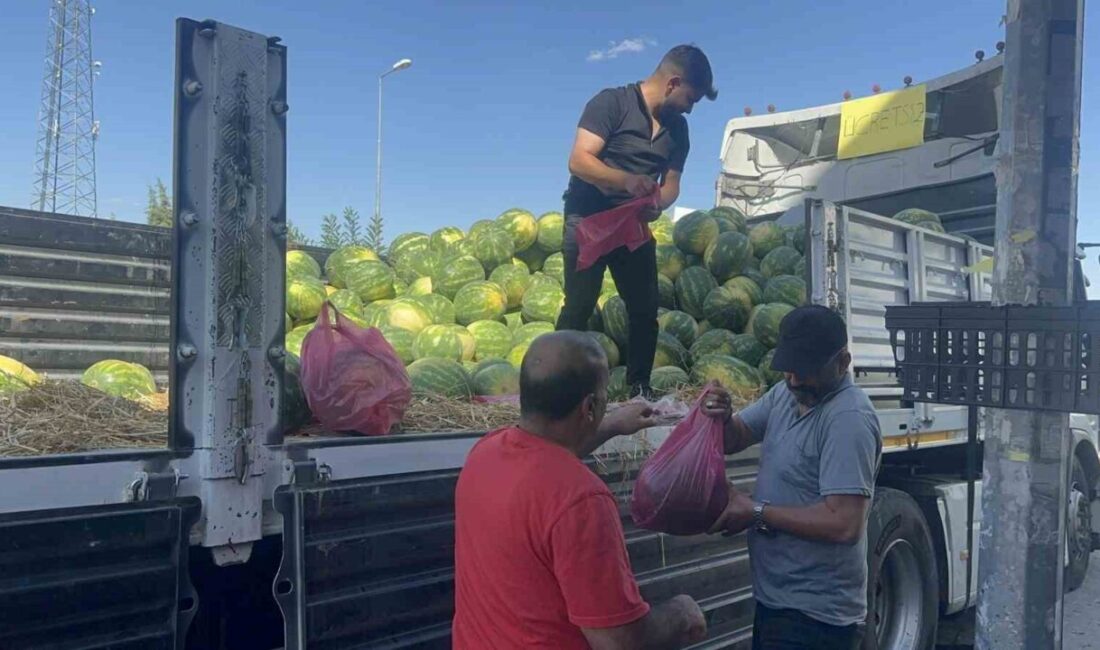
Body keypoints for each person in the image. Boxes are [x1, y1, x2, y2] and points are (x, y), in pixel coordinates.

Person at [452, 331, 707, 649]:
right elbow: (617, 642)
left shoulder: (485, 453)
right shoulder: (582, 500)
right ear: (589, 406)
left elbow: (547, 459)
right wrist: (681, 614)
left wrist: (612, 423)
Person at [703, 306, 883, 650]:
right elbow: (736, 437)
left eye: (806, 370)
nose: (795, 379)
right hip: (778, 602)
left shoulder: (848, 418)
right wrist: (722, 417)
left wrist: (756, 511)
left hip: (815, 619)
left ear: (843, 362)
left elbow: (844, 523)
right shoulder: (787, 393)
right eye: (789, 368)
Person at [556, 45, 717, 399]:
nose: (690, 108)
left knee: (644, 309)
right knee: (579, 307)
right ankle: (555, 387)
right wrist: (625, 181)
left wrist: (658, 203)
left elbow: (671, 184)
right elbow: (579, 161)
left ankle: (639, 391)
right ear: (673, 82)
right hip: (589, 221)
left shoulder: (679, 131)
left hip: (632, 228)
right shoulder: (611, 103)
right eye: (690, 98)